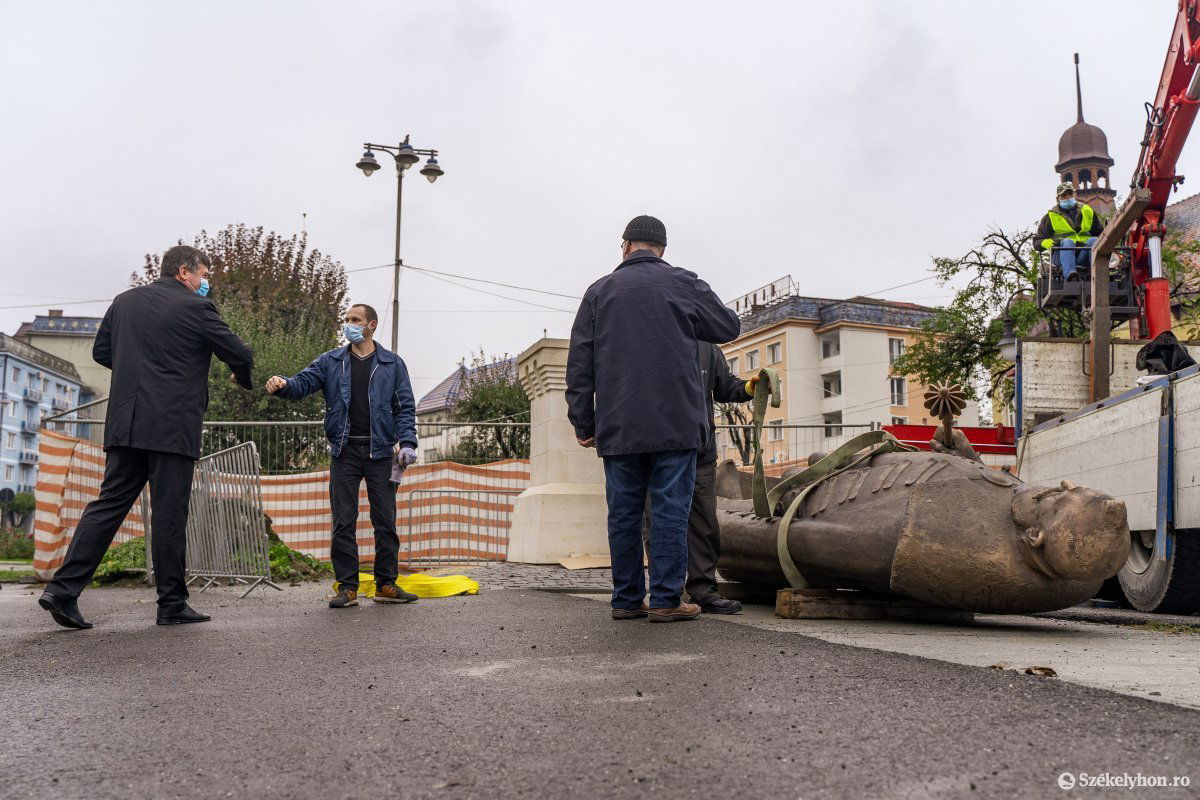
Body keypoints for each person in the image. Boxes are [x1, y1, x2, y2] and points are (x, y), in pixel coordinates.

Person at [40, 245, 254, 629]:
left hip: (125, 421)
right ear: (185, 271)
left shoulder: (124, 302)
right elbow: (238, 351)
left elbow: (102, 352)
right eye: (204, 275)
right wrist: (243, 374)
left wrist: (137, 369)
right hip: (171, 424)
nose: (205, 283)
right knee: (169, 514)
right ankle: (171, 604)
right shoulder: (196, 307)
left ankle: (62, 590)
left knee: (108, 505)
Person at [567, 215, 741, 623]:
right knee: (670, 511)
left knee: (623, 513)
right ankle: (665, 599)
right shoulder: (684, 283)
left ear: (626, 246)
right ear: (661, 249)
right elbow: (727, 326)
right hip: (675, 423)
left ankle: (627, 599)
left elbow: (580, 364)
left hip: (619, 425)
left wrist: (583, 422)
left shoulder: (598, 291)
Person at [266, 303, 419, 609]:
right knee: (343, 523)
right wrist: (283, 385)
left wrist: (407, 443)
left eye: (355, 319)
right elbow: (302, 383)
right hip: (344, 452)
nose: (349, 324)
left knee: (385, 522)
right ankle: (347, 588)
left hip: (381, 453)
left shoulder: (392, 363)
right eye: (347, 319)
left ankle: (385, 585)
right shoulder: (331, 361)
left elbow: (404, 406)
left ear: (371, 325)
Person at [1036, 182, 1104, 281]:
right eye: (1064, 195)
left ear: (1075, 194)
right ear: (1058, 198)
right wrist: (1044, 242)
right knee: (1068, 241)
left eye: (1070, 194)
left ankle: (1098, 275)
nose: (1067, 197)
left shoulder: (1088, 211)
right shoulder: (1050, 216)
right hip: (1061, 258)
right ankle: (1070, 277)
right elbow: (1036, 241)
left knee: (1094, 240)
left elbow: (1102, 234)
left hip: (1083, 255)